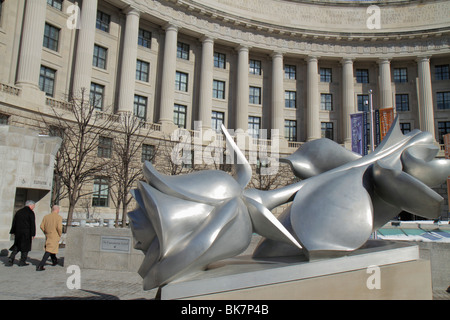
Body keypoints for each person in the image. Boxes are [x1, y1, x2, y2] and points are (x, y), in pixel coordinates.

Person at [8, 200, 36, 266]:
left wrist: (13, 231)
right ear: (30, 205)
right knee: (25, 247)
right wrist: (33, 234)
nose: (34, 207)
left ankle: (11, 258)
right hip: (26, 233)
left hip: (18, 232)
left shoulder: (19, 212)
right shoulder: (30, 212)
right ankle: (22, 261)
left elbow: (14, 222)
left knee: (17, 245)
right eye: (33, 206)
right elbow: (32, 224)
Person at [36, 205, 63, 271]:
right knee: (49, 250)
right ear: (57, 210)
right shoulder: (58, 217)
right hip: (54, 235)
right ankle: (41, 265)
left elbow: (41, 226)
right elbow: (59, 228)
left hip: (48, 235)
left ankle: (54, 261)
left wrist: (46, 232)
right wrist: (60, 234)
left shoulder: (46, 217)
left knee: (51, 249)